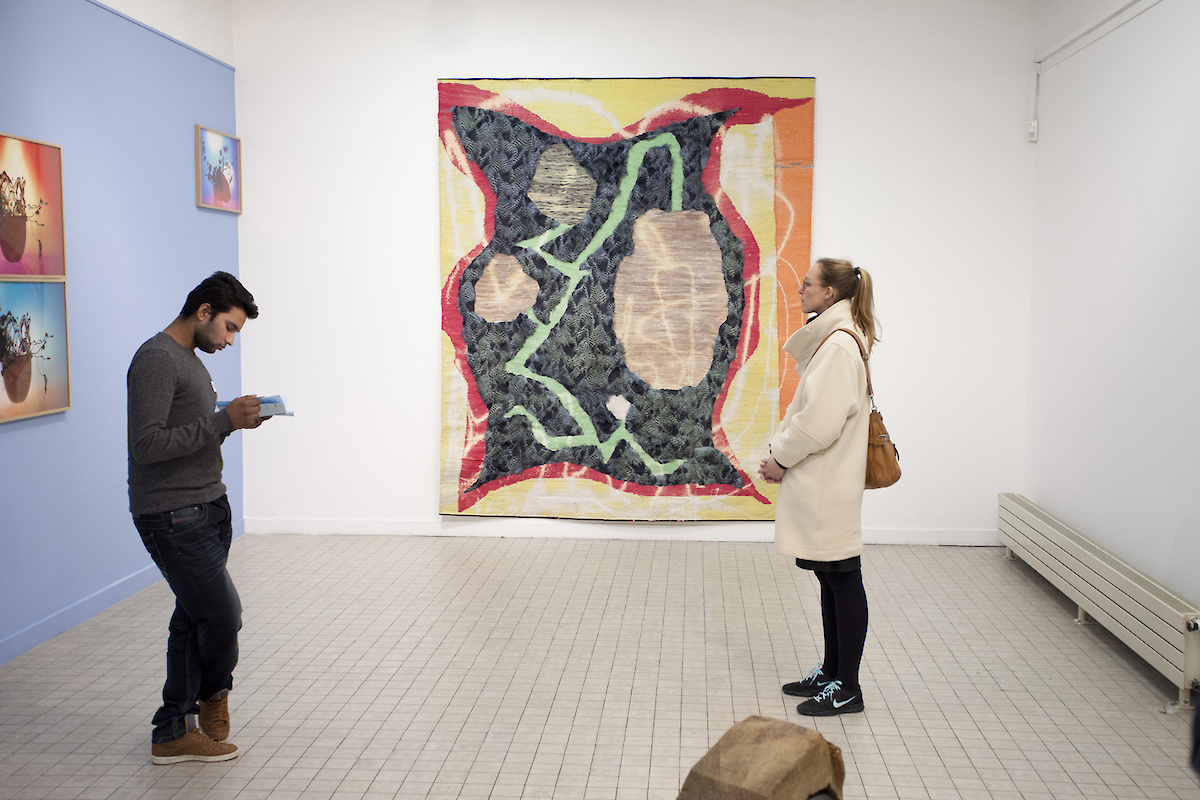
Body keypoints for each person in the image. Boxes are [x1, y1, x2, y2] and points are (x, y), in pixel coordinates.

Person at [127, 271, 266, 764]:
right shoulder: (156, 360)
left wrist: (233, 422)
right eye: (229, 328)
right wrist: (222, 420)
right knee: (223, 613)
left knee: (193, 616)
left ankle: (171, 731)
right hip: (172, 513)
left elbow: (189, 436)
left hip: (206, 504)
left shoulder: (186, 360)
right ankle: (211, 698)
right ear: (204, 311)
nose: (229, 341)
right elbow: (146, 446)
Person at [758, 257, 879, 717]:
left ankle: (847, 687)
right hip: (827, 482)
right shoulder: (837, 339)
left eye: (807, 284)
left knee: (843, 579)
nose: (801, 289)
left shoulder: (839, 347)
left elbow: (818, 424)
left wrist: (780, 458)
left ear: (830, 294)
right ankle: (832, 673)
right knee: (832, 578)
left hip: (827, 486)